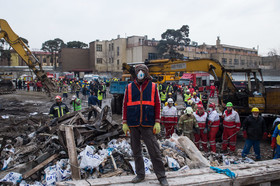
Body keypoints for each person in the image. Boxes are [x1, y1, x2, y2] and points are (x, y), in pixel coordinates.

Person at [122, 64, 168, 185]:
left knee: (154, 151)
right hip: (133, 123)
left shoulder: (153, 87)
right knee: (136, 151)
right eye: (138, 71)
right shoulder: (129, 87)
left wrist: (157, 121)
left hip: (148, 123)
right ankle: (140, 174)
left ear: (146, 73)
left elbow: (158, 104)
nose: (140, 73)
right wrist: (124, 122)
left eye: (142, 71)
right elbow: (125, 105)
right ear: (135, 73)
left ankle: (161, 176)